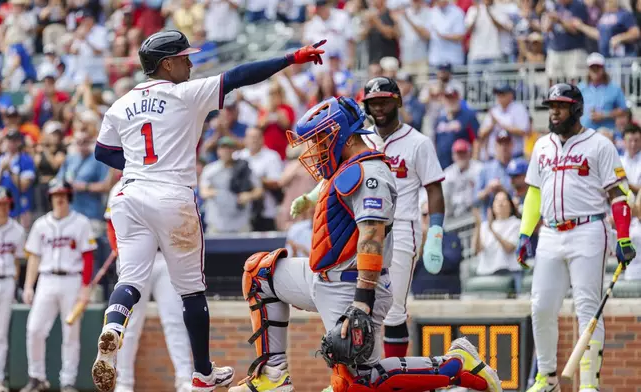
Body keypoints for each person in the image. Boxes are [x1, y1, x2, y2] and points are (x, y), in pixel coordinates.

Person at [93, 29, 326, 392]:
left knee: (129, 281)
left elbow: (102, 152)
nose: (190, 62)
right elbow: (240, 75)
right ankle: (202, 371)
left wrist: (139, 163)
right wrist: (290, 58)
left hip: (129, 195)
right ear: (166, 64)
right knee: (191, 292)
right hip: (172, 195)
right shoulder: (186, 93)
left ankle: (112, 327)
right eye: (184, 57)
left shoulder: (120, 104)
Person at [226, 96, 502, 392]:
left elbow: (372, 235)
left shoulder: (370, 172)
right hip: (321, 276)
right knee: (260, 274)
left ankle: (457, 365)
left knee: (358, 382)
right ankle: (273, 375)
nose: (314, 149)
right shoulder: (346, 166)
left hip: (353, 286)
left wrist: (361, 301)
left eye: (319, 140)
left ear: (341, 137)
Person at [290, 77, 446, 359]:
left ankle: (387, 374)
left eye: (384, 101)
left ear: (397, 101)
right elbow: (337, 174)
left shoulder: (418, 142)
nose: (379, 108)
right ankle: (359, 372)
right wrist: (311, 197)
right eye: (373, 103)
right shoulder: (360, 138)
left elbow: (434, 188)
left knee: (393, 309)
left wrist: (435, 233)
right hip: (358, 224)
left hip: (401, 226)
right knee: (348, 298)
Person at [516, 83, 636, 392]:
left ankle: (588, 384)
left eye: (561, 105)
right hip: (551, 233)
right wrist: (525, 233)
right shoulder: (542, 146)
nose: (554, 111)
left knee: (588, 308)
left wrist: (623, 237)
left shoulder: (600, 144)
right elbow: (533, 192)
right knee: (541, 306)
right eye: (551, 105)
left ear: (577, 109)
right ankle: (546, 377)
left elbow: (618, 195)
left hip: (588, 230)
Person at [104, 179, 194, 392]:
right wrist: (120, 250)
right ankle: (124, 382)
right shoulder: (120, 187)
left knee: (174, 320)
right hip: (134, 261)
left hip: (165, 259)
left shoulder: (168, 182)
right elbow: (111, 225)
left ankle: (184, 379)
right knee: (130, 323)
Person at [21, 179, 96, 392]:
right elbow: (34, 257)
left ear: (69, 196)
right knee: (34, 329)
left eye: (63, 194)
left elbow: (88, 257)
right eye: (55, 194)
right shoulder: (40, 224)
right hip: (46, 280)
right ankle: (37, 378)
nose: (59, 198)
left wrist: (85, 287)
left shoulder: (80, 222)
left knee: (70, 333)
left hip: (72, 279)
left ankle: (68, 382)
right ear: (50, 197)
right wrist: (28, 286)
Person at [0, 187, 26, 392]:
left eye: (6, 204)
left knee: (0, 334)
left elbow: (18, 261)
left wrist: (15, 282)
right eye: (0, 204)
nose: (3, 207)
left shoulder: (17, 230)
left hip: (7, 281)